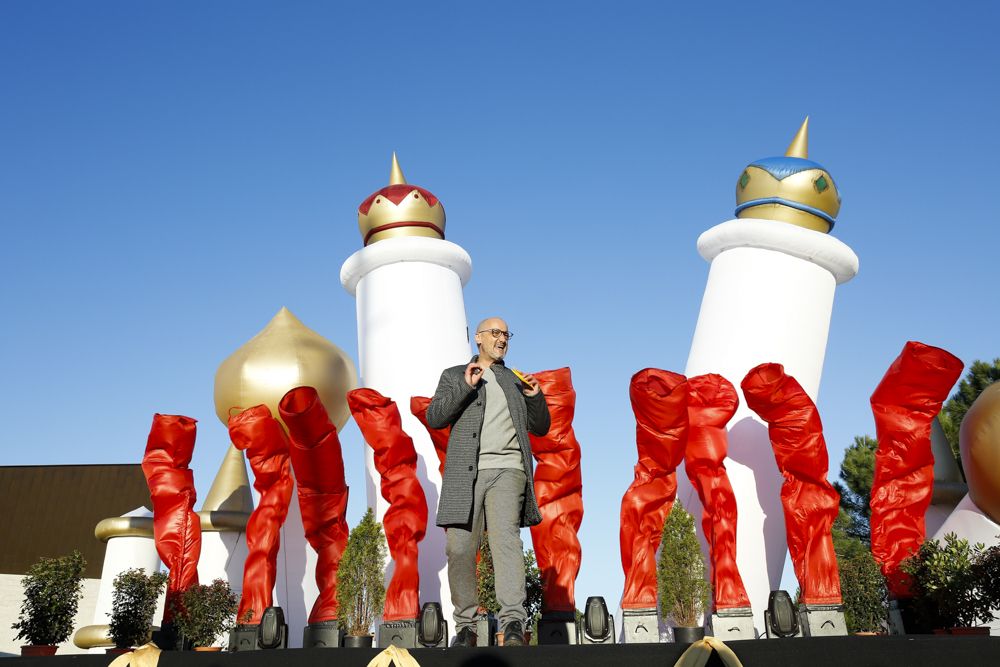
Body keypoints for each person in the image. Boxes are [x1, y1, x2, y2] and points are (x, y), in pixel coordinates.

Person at [426, 316, 550, 647]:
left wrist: (535, 397)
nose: (502, 338)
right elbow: (435, 417)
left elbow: (541, 427)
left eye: (506, 333)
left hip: (509, 470)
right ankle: (466, 626)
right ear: (478, 338)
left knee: (505, 542)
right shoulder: (455, 375)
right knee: (459, 548)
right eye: (495, 332)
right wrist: (466, 386)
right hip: (464, 475)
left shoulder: (515, 379)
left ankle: (512, 622)